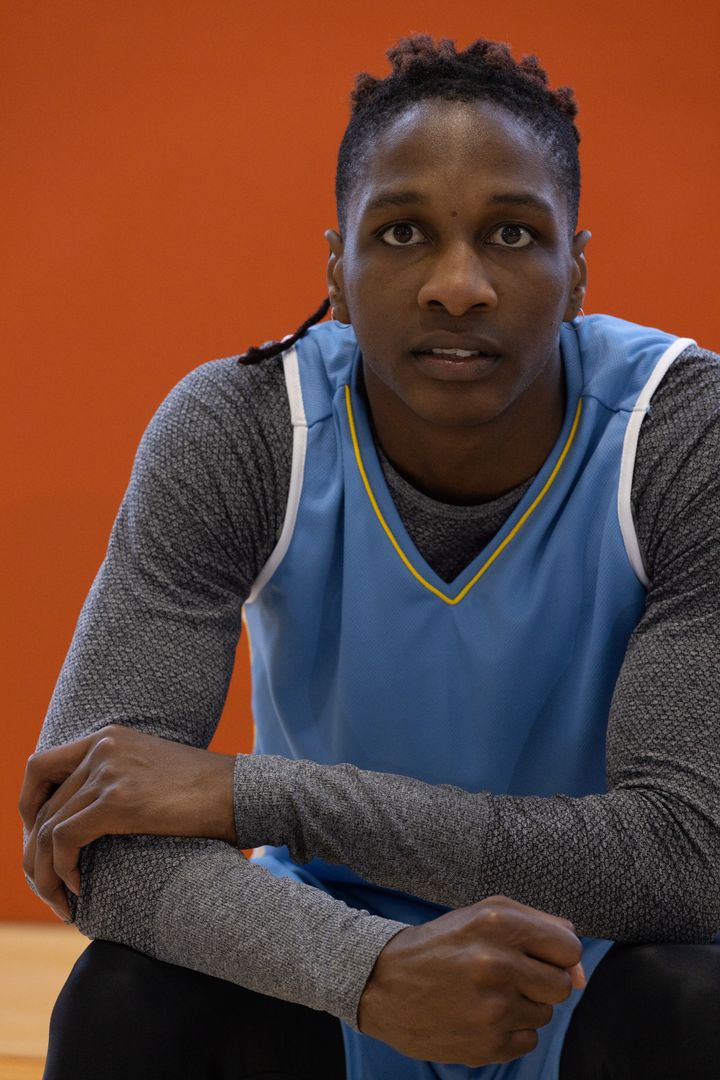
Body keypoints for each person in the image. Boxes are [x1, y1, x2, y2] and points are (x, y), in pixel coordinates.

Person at [19, 33, 720, 1080]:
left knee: (701, 1001)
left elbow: (687, 858)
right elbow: (94, 843)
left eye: (512, 233)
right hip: (327, 971)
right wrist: (370, 969)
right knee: (124, 999)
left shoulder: (683, 435)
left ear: (576, 270)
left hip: (595, 976)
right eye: (401, 232)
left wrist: (252, 794)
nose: (458, 285)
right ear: (336, 273)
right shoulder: (243, 428)